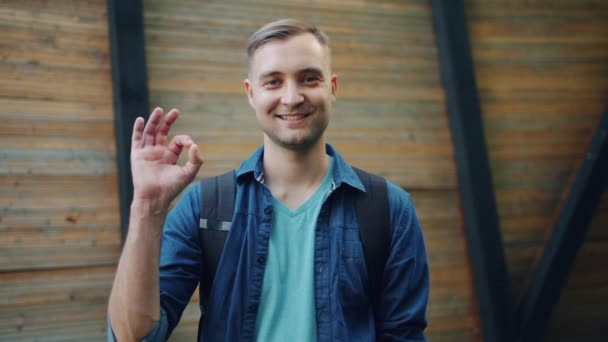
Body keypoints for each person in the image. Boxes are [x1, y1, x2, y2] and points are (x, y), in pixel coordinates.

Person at [108, 18, 429, 341]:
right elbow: (133, 336)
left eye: (309, 79)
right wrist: (147, 206)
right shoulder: (205, 207)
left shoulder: (389, 208)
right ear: (251, 93)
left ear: (332, 88)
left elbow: (404, 335)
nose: (291, 98)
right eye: (273, 82)